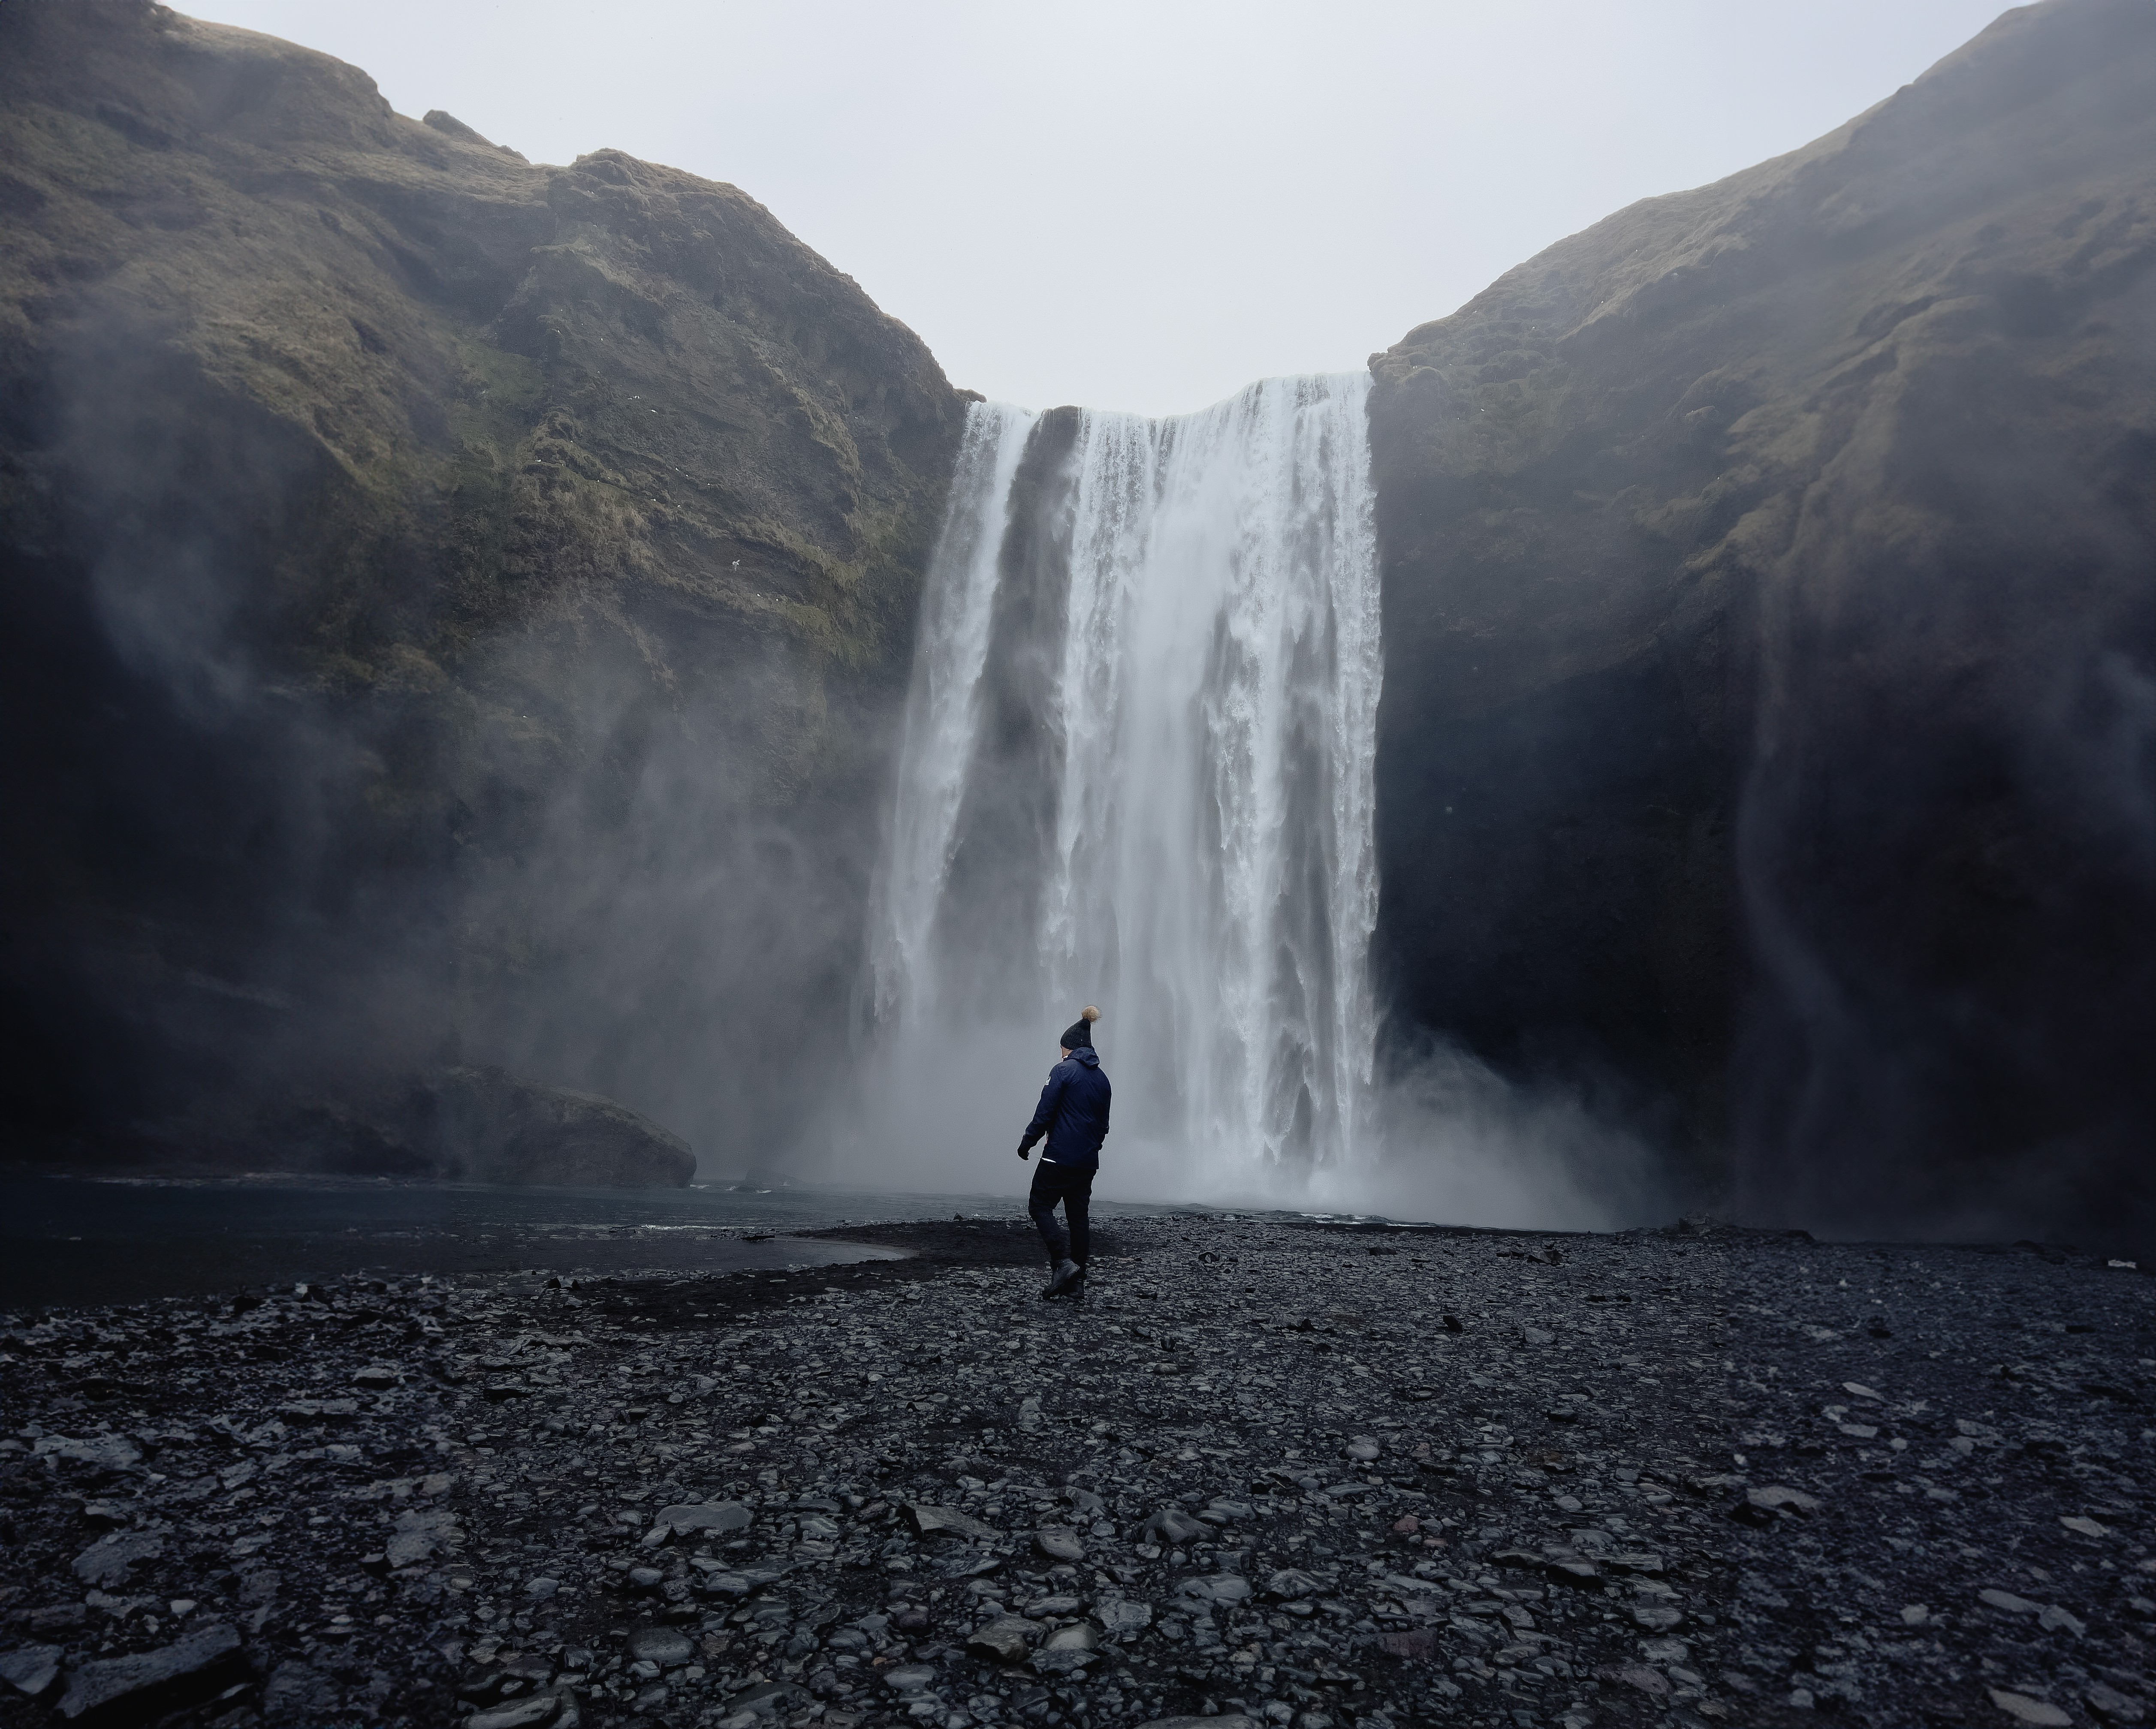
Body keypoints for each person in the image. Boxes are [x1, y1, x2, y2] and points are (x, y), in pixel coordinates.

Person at [1017, 1005, 1111, 1300]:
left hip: (1058, 1156)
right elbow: (1103, 1128)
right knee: (1078, 1218)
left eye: (1061, 1048)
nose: (1060, 1053)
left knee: (1039, 1205)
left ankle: (1062, 1262)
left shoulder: (1062, 1071)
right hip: (1087, 1161)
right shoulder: (1103, 1080)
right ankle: (1076, 1285)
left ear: (1069, 1047)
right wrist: (1091, 1151)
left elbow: (1044, 1114)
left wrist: (1027, 1142)